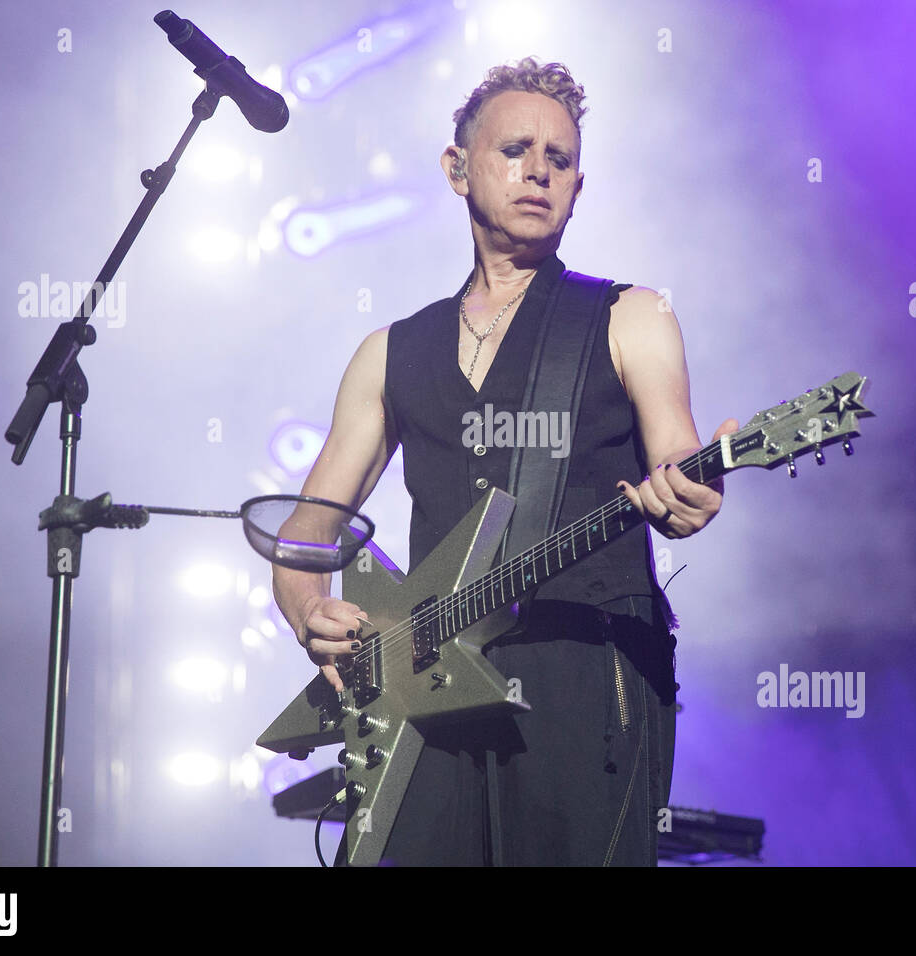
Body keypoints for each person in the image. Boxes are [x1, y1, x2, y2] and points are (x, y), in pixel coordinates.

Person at [273, 57, 737, 865]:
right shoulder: (390, 352)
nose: (539, 172)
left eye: (560, 160)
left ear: (579, 188)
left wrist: (696, 484)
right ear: (457, 169)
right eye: (516, 150)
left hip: (583, 671)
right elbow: (305, 539)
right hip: (424, 690)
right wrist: (310, 610)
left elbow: (679, 459)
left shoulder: (631, 316)